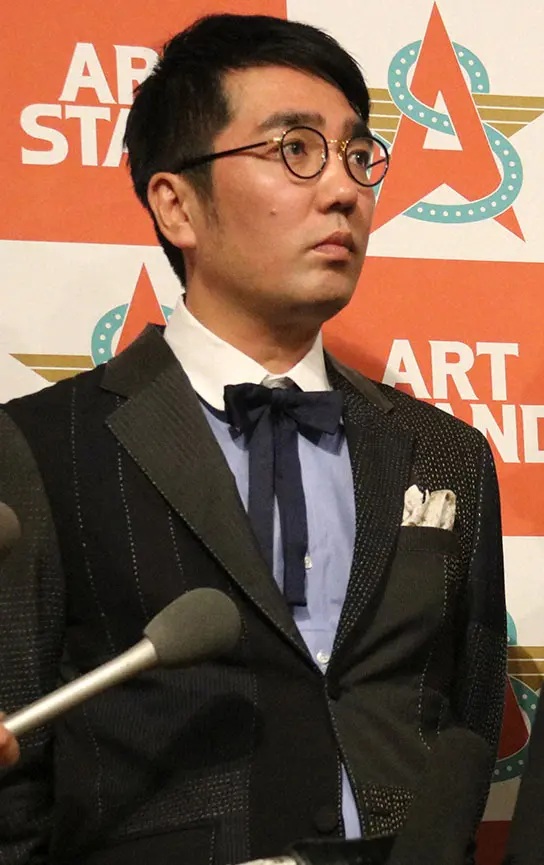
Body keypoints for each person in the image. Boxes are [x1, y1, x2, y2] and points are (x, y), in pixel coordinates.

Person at [0, 14, 506, 865]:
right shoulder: (39, 447)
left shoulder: (444, 451)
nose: (342, 190)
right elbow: (15, 761)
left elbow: (471, 708)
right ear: (177, 204)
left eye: (357, 155)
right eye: (295, 150)